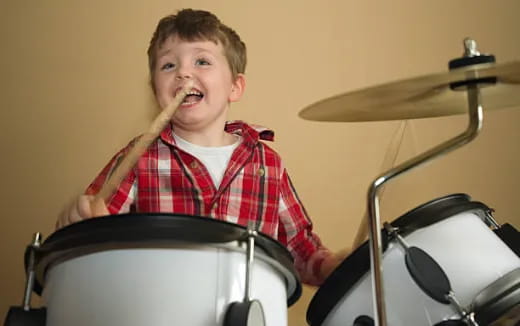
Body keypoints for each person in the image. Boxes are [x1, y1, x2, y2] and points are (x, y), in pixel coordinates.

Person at [57, 8, 347, 286]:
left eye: (202, 62)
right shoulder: (139, 157)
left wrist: (332, 266)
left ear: (235, 86)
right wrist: (80, 222)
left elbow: (299, 250)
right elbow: (95, 231)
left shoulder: (266, 164)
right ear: (155, 90)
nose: (183, 74)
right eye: (169, 65)